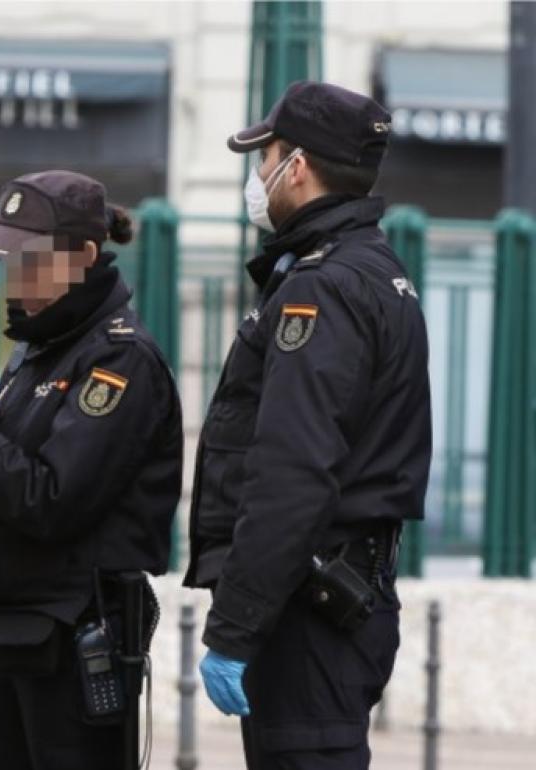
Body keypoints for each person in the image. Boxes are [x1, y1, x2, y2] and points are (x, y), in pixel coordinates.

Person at [0, 170, 184, 770]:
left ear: (82, 256)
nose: (13, 277)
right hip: (6, 635)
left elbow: (49, 501)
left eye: (28, 259)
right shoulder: (35, 352)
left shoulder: (118, 356)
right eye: (8, 260)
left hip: (73, 644)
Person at [185, 81, 432, 769]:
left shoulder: (322, 288)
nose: (257, 176)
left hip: (308, 616)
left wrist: (235, 628)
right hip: (334, 600)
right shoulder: (374, 272)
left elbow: (292, 470)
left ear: (297, 168)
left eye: (265, 160)